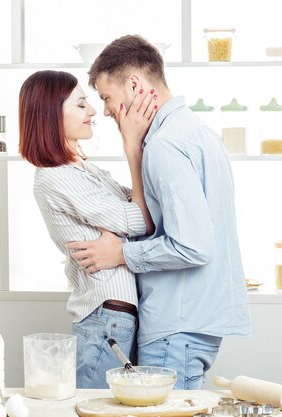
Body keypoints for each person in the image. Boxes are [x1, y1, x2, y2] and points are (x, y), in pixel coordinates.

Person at [66, 35, 251, 389]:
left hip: (175, 325)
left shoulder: (165, 146)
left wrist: (121, 253)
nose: (104, 110)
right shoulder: (198, 131)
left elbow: (194, 246)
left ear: (134, 84)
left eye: (107, 98)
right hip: (198, 321)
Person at [18, 70, 157, 388]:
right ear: (51, 114)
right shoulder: (55, 177)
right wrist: (131, 147)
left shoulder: (82, 168)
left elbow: (137, 205)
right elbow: (139, 219)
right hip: (106, 319)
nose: (94, 111)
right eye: (81, 105)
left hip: (114, 318)